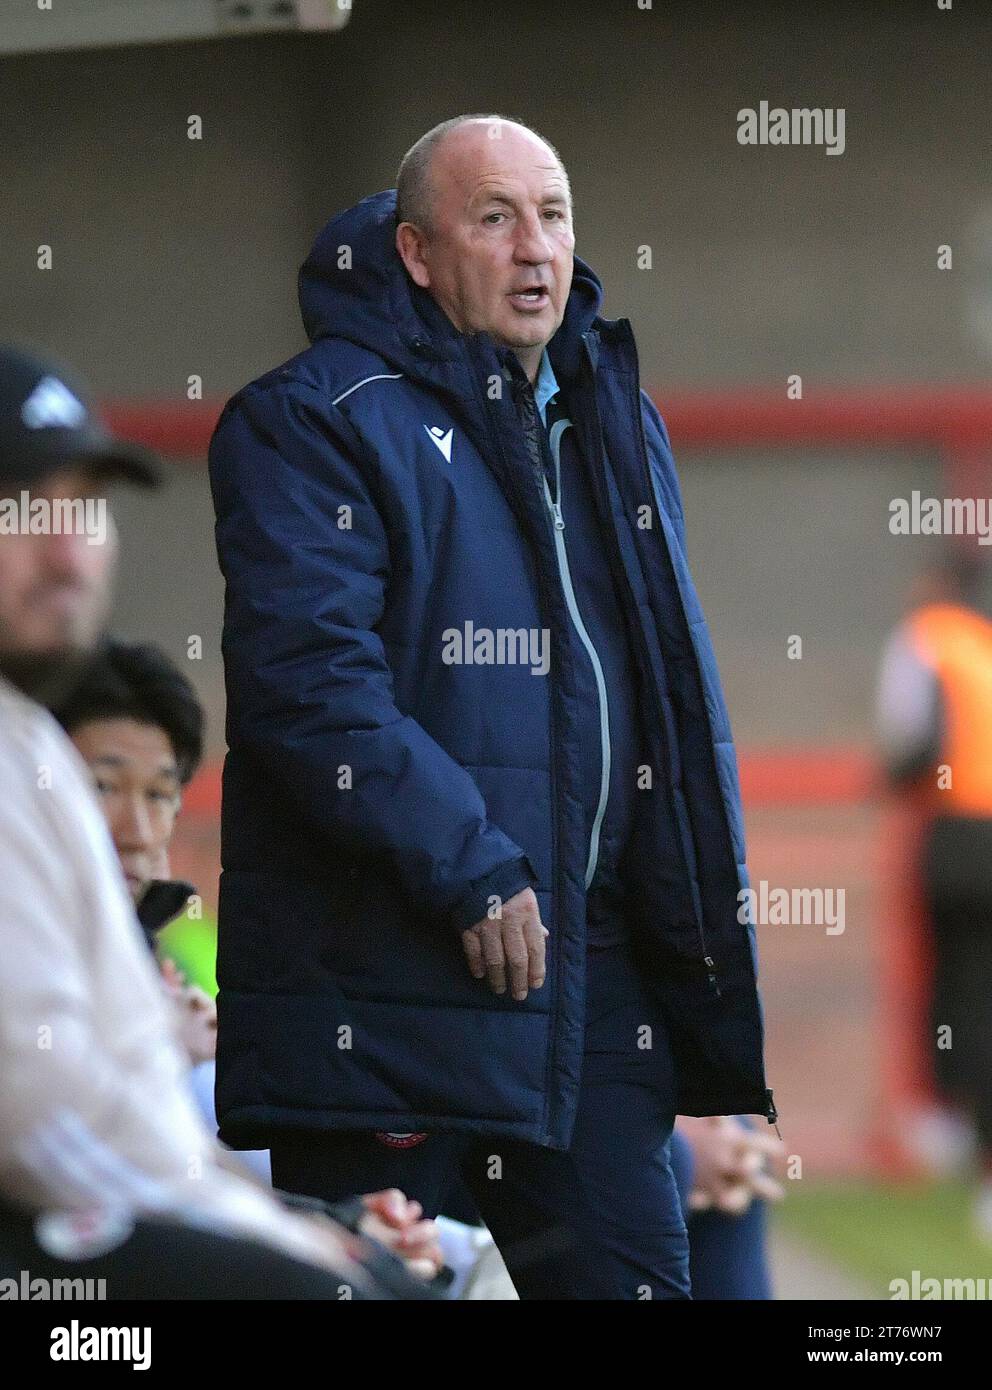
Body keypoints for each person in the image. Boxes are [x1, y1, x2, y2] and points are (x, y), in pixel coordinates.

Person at [209, 114, 776, 1300]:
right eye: (495, 217)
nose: (537, 247)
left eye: (554, 214)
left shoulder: (614, 417)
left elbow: (661, 696)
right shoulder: (312, 417)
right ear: (416, 253)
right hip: (390, 972)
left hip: (593, 969)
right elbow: (307, 688)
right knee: (386, 1289)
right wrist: (469, 866)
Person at [0, 343, 440, 1298]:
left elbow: (119, 1105)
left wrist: (293, 1225)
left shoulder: (27, 747)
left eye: (86, 510)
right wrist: (284, 1245)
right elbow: (38, 1114)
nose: (68, 549)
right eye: (22, 509)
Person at [877, 555, 992, 1239]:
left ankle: (948, 1124)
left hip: (953, 834)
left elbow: (909, 738)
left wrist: (888, 778)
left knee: (952, 985)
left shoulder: (925, 637)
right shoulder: (982, 645)